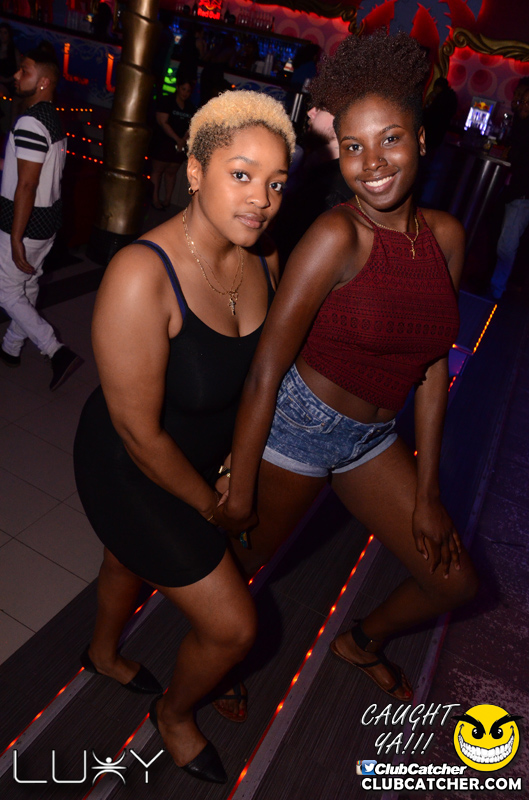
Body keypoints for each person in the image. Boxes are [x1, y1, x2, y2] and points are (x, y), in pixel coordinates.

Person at [218, 32, 479, 706]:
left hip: (373, 440)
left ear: (421, 140)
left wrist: (427, 491)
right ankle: (217, 656)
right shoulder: (337, 235)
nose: (373, 163)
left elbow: (430, 367)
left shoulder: (447, 238)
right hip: (298, 428)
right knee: (234, 572)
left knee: (453, 581)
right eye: (354, 147)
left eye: (390, 139)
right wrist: (241, 479)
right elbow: (266, 368)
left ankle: (360, 641)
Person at [73, 90, 295, 783]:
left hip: (199, 458)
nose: (261, 199)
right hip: (127, 464)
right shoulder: (141, 274)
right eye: (241, 174)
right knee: (234, 627)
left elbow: (252, 382)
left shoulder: (265, 257)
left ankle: (102, 654)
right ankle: (174, 714)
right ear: (194, 172)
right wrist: (212, 505)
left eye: (276, 183)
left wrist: (233, 461)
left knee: (126, 560)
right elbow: (139, 435)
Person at [0, 42, 82, 390]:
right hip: (47, 221)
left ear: (44, 81)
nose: (17, 75)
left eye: (26, 71)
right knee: (27, 284)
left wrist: (16, 237)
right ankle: (11, 346)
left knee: (6, 291)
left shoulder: (31, 122)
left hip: (24, 222)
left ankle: (55, 350)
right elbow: (34, 170)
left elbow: (27, 185)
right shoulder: (52, 119)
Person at [489, 85, 529, 299]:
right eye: (522, 100)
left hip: (522, 193)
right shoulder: (520, 125)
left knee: (507, 245)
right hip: (514, 190)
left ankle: (497, 289)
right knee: (503, 240)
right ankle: (496, 285)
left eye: (527, 102)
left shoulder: (524, 128)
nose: (523, 105)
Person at [150, 77, 196, 210]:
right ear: (177, 87)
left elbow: (191, 126)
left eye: (188, 91)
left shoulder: (190, 107)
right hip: (163, 142)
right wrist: (177, 139)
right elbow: (162, 122)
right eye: (183, 89)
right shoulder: (167, 101)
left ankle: (167, 200)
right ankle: (154, 199)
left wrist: (183, 140)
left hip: (179, 146)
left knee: (171, 172)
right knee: (157, 171)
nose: (185, 93)